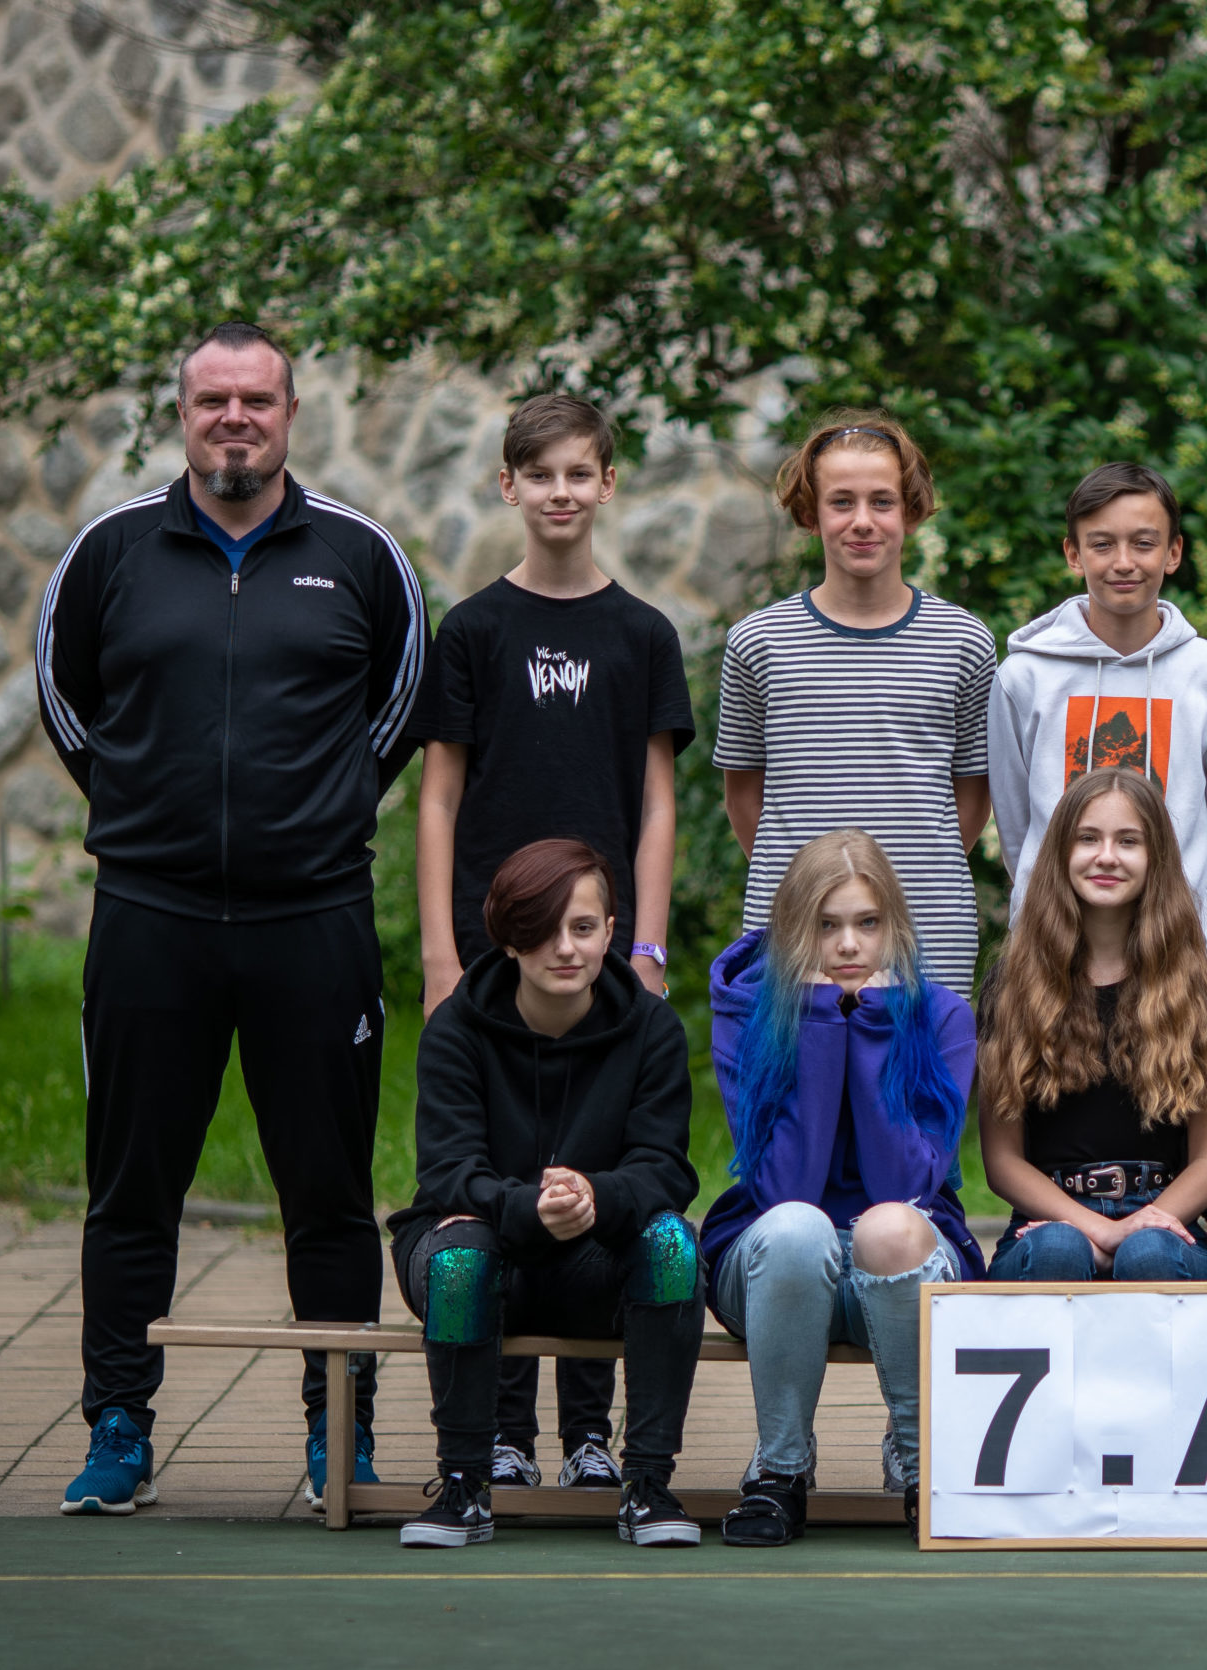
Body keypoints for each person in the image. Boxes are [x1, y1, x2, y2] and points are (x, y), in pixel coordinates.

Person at [34, 321, 427, 1515]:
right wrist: (140, 811)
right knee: (129, 1189)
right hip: (149, 917)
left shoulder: (361, 556)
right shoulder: (110, 552)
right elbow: (65, 698)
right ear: (184, 414)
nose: (235, 419)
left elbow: (397, 707)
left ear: (290, 414)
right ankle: (118, 1425)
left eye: (257, 399)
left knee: (329, 1190)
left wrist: (320, 814)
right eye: (214, 400)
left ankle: (338, 1433)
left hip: (314, 919)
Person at [410, 392, 696, 1496]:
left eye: (581, 472)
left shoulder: (642, 634)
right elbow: (439, 799)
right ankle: (500, 1431)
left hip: (602, 948)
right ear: (509, 485)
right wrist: (441, 955)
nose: (561, 491)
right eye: (541, 474)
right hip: (498, 951)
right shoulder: (474, 630)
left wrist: (647, 943)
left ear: (608, 484)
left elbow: (657, 803)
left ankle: (589, 1432)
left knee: (598, 1164)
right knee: (503, 1167)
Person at [387, 840, 704, 1549]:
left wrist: (594, 1195)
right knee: (459, 1255)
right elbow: (446, 1172)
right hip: (487, 1248)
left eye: (583, 927)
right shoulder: (456, 1027)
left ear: (610, 932)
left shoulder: (652, 1027)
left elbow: (665, 1168)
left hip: (595, 1260)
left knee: (672, 1242)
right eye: (541, 930)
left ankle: (648, 1483)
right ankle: (464, 1485)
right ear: (507, 937)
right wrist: (527, 1207)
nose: (565, 948)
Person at [698, 831, 984, 1546]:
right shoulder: (749, 1014)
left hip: (903, 1262)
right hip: (777, 1268)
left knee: (887, 1225)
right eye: (826, 925)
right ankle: (780, 1470)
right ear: (795, 930)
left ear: (895, 926)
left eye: (867, 922)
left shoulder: (944, 1017)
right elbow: (782, 1185)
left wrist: (877, 1027)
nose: (849, 944)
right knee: (801, 1225)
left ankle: (922, 1466)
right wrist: (823, 1018)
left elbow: (907, 1185)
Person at [715, 410, 997, 993]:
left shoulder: (963, 641)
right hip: (796, 936)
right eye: (841, 502)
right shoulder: (758, 642)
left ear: (910, 512)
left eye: (882, 502)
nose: (862, 521)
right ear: (810, 514)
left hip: (928, 932)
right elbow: (744, 796)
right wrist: (808, 885)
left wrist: (907, 877)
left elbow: (972, 795)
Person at [979, 767, 1207, 1283]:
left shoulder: (1198, 986)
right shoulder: (1013, 984)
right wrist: (1099, 1230)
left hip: (1165, 1215)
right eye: (1087, 839)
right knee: (1058, 1249)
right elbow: (1002, 1161)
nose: (1106, 856)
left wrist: (1139, 1227)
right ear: (1060, 852)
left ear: (1156, 857)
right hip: (1047, 1217)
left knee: (1149, 1254)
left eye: (1128, 841)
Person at [989, 462, 1207, 945]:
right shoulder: (1024, 678)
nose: (1124, 562)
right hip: (1051, 947)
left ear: (1173, 552)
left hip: (1173, 950)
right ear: (1074, 554)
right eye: (1102, 544)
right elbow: (1016, 825)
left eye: (1144, 543)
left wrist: (1188, 914)